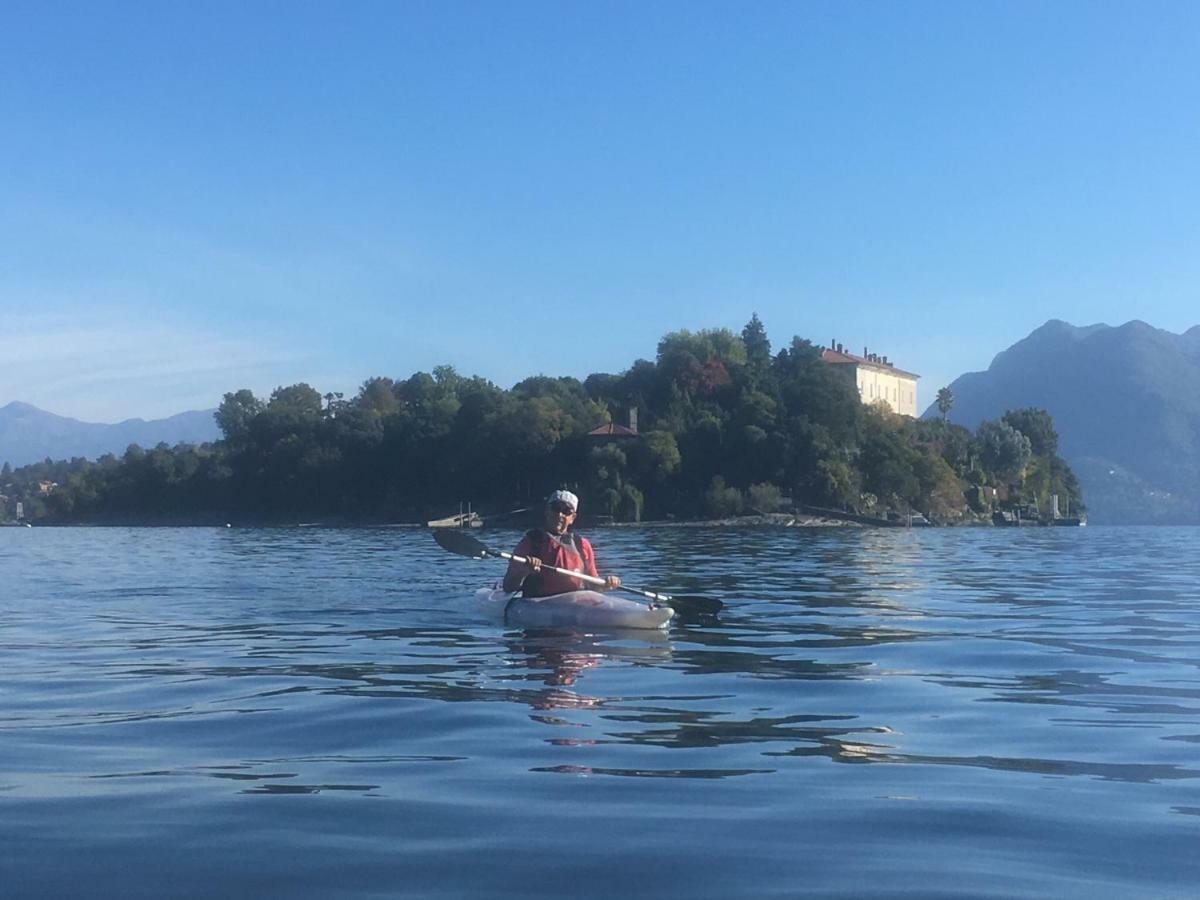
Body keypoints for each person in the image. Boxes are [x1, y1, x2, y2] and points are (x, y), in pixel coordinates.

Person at [502, 490, 622, 596]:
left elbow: (594, 585)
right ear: (547, 511)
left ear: (572, 518)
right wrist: (525, 570)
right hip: (539, 605)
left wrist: (606, 584)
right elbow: (508, 586)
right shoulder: (532, 541)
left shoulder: (582, 545)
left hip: (575, 604)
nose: (559, 514)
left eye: (566, 511)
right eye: (555, 508)